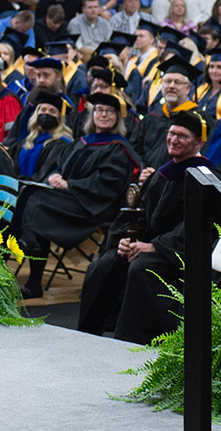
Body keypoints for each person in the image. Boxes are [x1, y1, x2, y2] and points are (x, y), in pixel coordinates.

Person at [78, 108, 210, 343]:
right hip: (151, 246)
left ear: (199, 142)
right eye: (171, 134)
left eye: (182, 136)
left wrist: (155, 247)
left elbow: (197, 226)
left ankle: (134, 342)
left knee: (142, 266)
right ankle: (89, 334)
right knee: (104, 264)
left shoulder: (206, 177)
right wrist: (128, 239)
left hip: (181, 254)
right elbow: (140, 213)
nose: (174, 139)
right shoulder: (164, 173)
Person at [9, 89, 140, 297]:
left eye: (109, 111)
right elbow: (61, 164)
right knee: (28, 193)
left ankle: (29, 254)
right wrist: (56, 175)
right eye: (98, 110)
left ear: (117, 118)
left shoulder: (118, 148)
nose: (103, 115)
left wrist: (70, 185)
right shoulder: (84, 141)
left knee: (36, 201)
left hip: (93, 206)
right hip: (71, 198)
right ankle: (28, 248)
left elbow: (106, 184)